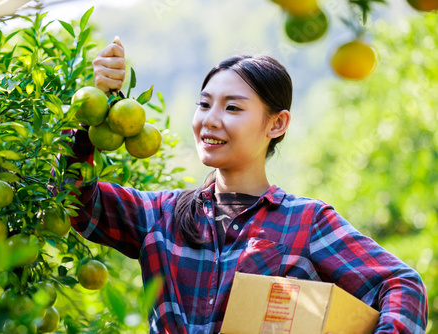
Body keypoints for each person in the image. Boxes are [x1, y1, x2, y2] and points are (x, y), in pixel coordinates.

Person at [63, 36, 428, 333]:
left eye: (233, 108)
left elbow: (401, 285)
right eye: (204, 105)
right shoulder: (161, 216)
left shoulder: (306, 222)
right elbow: (71, 198)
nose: (210, 120)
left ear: (277, 124)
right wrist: (97, 106)